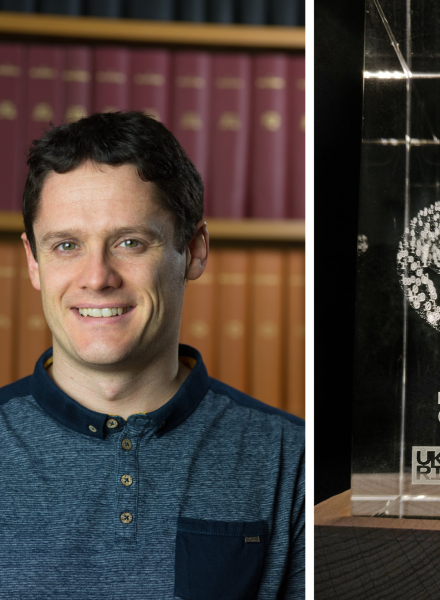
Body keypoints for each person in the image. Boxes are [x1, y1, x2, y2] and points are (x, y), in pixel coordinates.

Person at [0, 111, 304, 599]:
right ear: (34, 262)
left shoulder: (292, 461)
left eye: (130, 242)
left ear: (195, 250)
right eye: (66, 245)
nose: (97, 277)